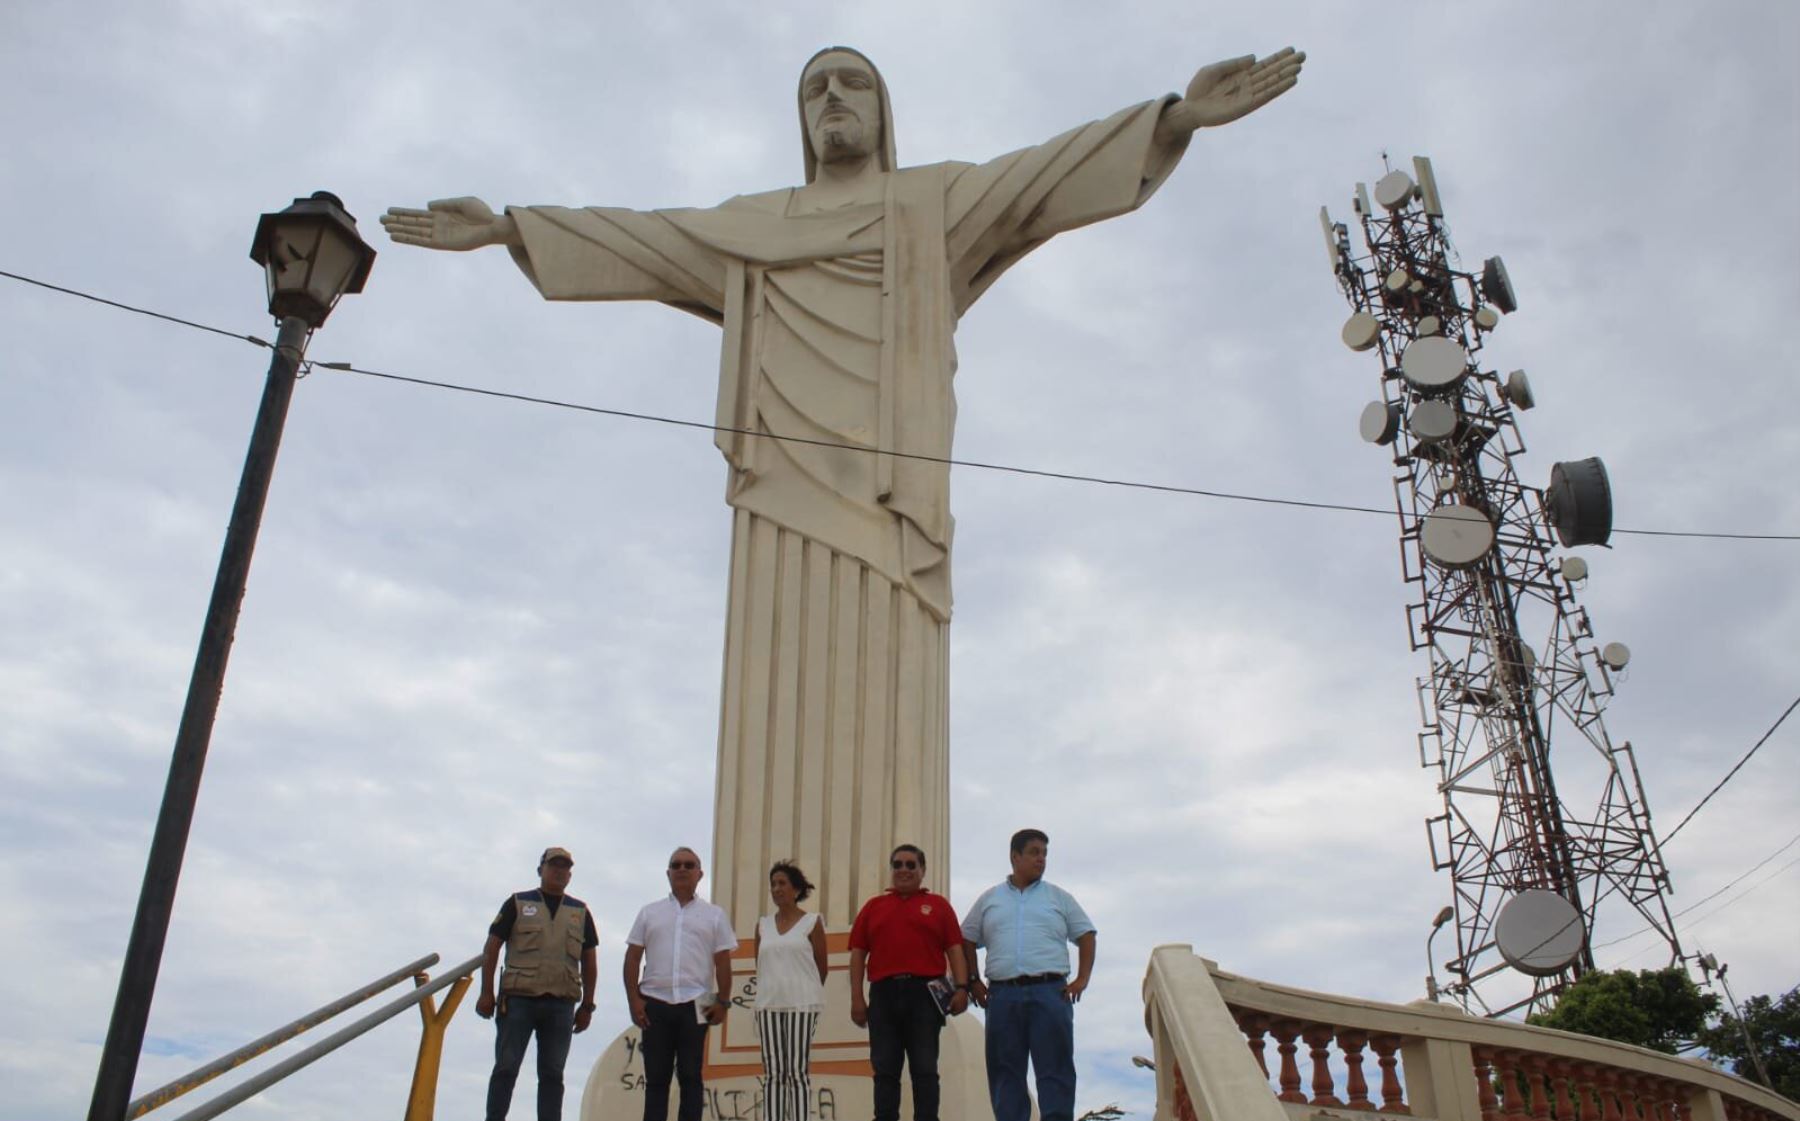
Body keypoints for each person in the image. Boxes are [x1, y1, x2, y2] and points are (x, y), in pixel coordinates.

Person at [381, 46, 1305, 930]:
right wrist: (510, 227)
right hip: (778, 485)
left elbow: (1043, 180)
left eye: (851, 82)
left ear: (882, 110)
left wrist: (1175, 118)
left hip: (891, 489)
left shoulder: (930, 204)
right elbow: (647, 238)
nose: (832, 97)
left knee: (888, 695)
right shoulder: (755, 223)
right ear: (800, 117)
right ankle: (759, 966)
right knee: (771, 686)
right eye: (816, 85)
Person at [961, 828, 1097, 1121]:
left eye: (1045, 853)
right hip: (1002, 993)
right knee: (1005, 1066)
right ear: (1015, 857)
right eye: (1035, 852)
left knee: (1055, 1064)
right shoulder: (990, 899)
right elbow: (966, 937)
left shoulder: (1059, 898)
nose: (1041, 859)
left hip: (1050, 991)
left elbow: (1086, 934)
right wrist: (973, 981)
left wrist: (1082, 979)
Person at [847, 843, 969, 1121]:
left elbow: (954, 949)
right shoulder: (874, 907)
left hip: (925, 995)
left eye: (911, 865)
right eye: (898, 864)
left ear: (922, 871)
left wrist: (962, 988)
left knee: (925, 1067)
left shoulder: (938, 906)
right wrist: (856, 998)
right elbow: (858, 955)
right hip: (884, 994)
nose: (903, 870)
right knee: (885, 1069)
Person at [477, 846, 599, 1121]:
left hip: (561, 1002)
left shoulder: (579, 911)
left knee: (553, 1073)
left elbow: (590, 960)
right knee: (506, 1066)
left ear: (570, 874)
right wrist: (486, 992)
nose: (559, 871)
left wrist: (588, 1005)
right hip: (519, 999)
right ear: (540, 869)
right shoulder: (518, 903)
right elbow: (492, 947)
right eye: (553, 865)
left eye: (565, 867)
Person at [623, 847, 738, 1121]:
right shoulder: (650, 912)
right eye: (676, 865)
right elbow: (633, 957)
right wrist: (634, 1000)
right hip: (655, 1000)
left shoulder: (714, 915)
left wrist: (722, 1002)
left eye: (689, 865)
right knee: (656, 1076)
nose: (682, 869)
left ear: (700, 873)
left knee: (690, 1073)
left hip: (698, 1000)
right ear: (668, 873)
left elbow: (722, 961)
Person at [753, 860, 829, 1121]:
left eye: (782, 883)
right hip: (768, 1004)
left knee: (796, 1070)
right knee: (773, 1070)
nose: (776, 889)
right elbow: (759, 965)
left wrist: (803, 990)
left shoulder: (812, 922)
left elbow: (821, 967)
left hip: (802, 1004)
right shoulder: (762, 926)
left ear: (796, 889)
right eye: (773, 884)